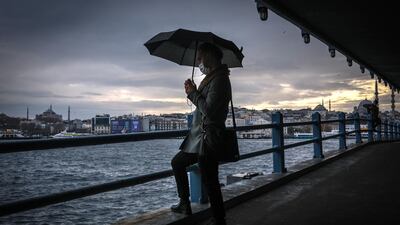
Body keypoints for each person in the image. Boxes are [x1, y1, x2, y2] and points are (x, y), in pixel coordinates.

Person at [170, 42, 231, 225]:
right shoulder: (213, 78)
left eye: (200, 57)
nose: (198, 61)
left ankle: (219, 219)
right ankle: (185, 203)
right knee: (179, 163)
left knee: (210, 181)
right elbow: (205, 103)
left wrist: (193, 93)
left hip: (208, 138)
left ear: (210, 57)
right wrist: (195, 91)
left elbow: (209, 110)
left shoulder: (219, 80)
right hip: (200, 138)